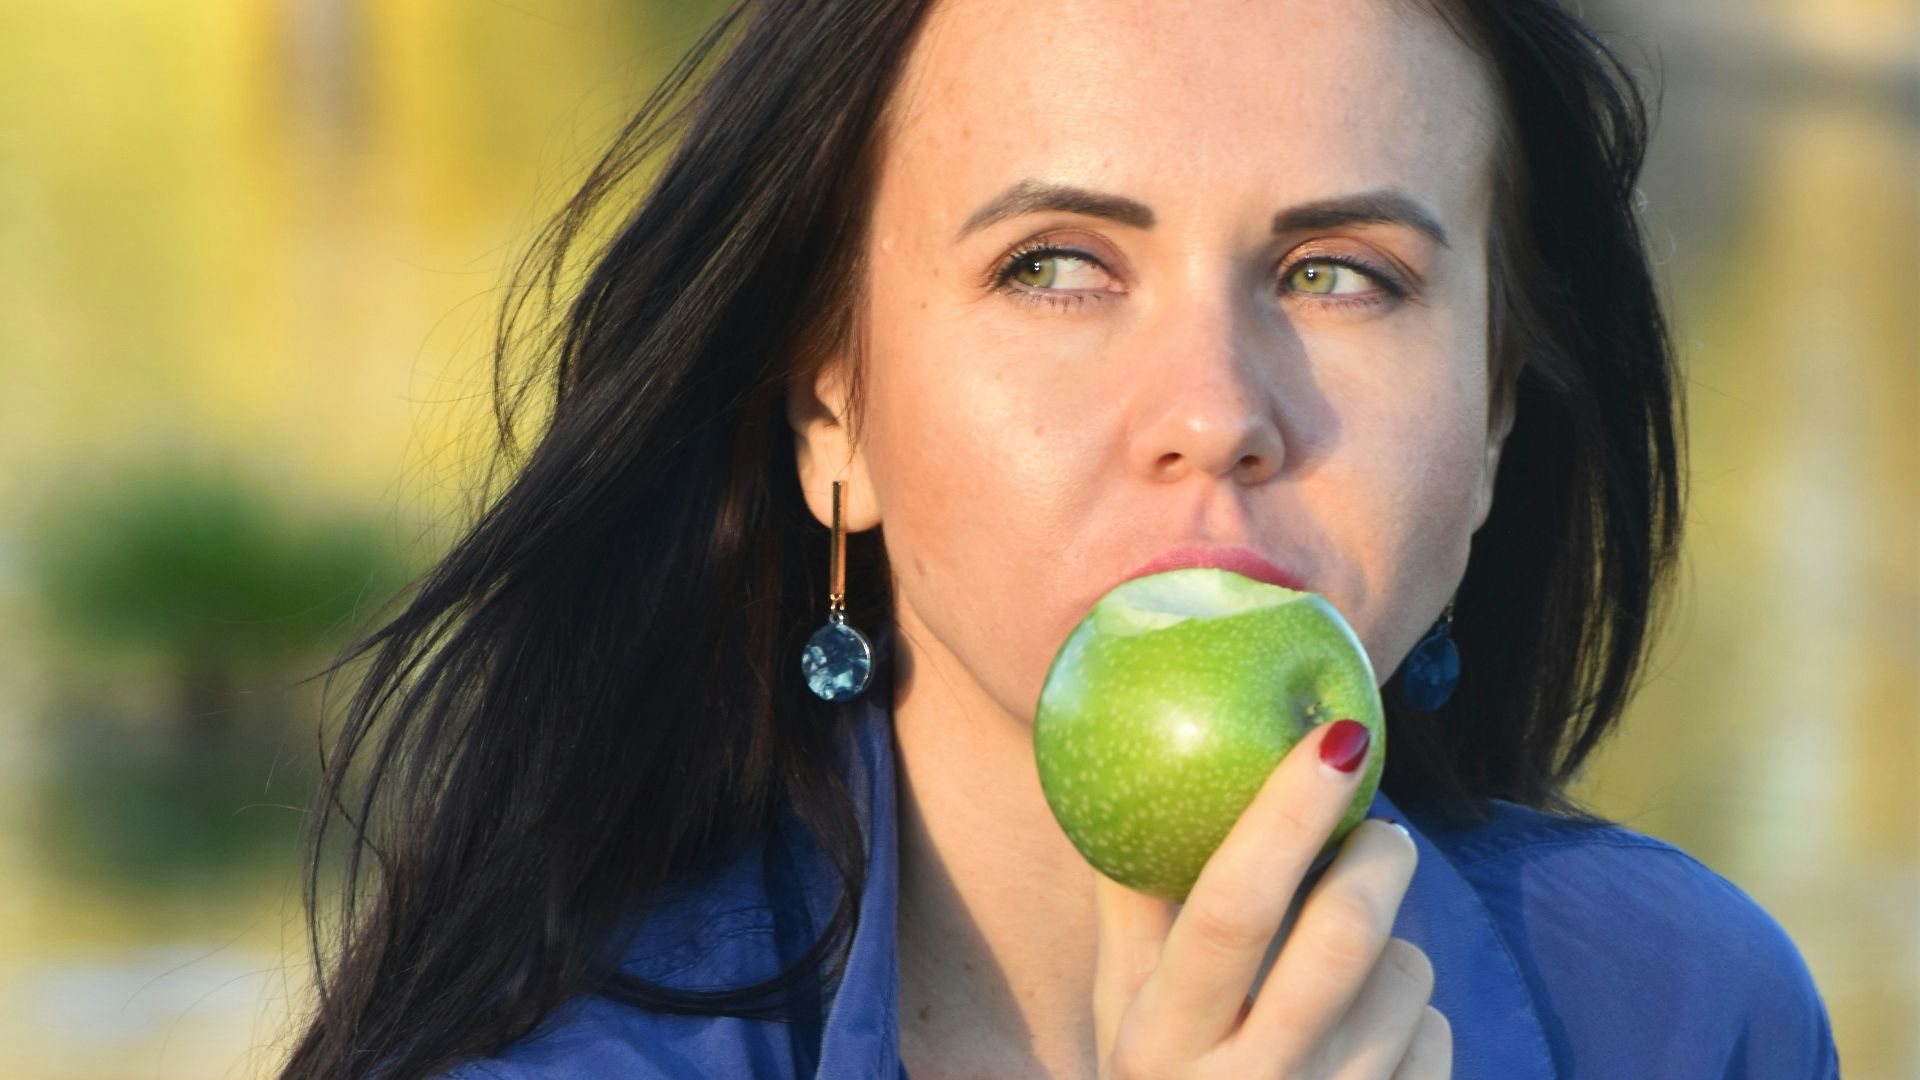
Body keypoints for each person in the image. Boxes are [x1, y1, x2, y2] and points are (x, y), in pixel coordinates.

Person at [278, 0, 1843, 1077]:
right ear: (831, 416)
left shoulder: (1684, 1012)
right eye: (1056, 267)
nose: (1220, 409)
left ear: (1497, 411)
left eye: (1340, 273)